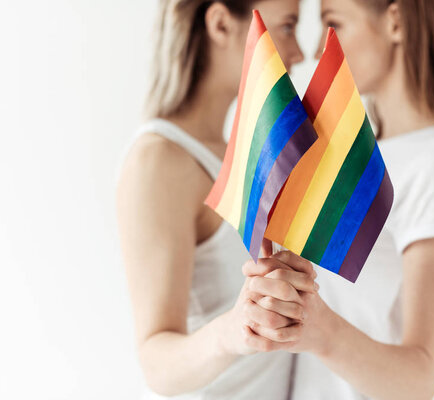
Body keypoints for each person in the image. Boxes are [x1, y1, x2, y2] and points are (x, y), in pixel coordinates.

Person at [241, 0, 434, 399]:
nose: (315, 52)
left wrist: (316, 326)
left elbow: (419, 380)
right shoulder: (361, 156)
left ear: (396, 22)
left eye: (334, 24)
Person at [114, 1, 316, 399]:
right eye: (288, 26)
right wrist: (235, 328)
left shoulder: (238, 154)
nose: (299, 53)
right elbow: (156, 363)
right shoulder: (159, 160)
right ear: (221, 24)